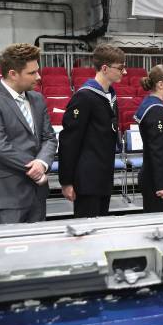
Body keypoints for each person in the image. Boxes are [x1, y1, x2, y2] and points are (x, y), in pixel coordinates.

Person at [0, 44, 57, 224]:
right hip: (9, 194)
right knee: (10, 249)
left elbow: (49, 137)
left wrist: (42, 163)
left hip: (38, 191)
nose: (38, 77)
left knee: (39, 248)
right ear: (13, 74)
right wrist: (34, 169)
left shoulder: (37, 98)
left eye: (38, 71)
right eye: (32, 73)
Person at [58, 44, 125, 218]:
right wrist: (66, 181)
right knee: (87, 233)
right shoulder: (84, 97)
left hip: (104, 176)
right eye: (120, 68)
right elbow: (69, 141)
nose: (124, 72)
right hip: (87, 179)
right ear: (104, 68)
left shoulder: (110, 94)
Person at [134, 65, 163, 213]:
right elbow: (157, 149)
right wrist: (161, 184)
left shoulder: (153, 105)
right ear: (161, 84)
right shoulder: (155, 111)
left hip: (158, 175)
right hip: (158, 179)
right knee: (159, 223)